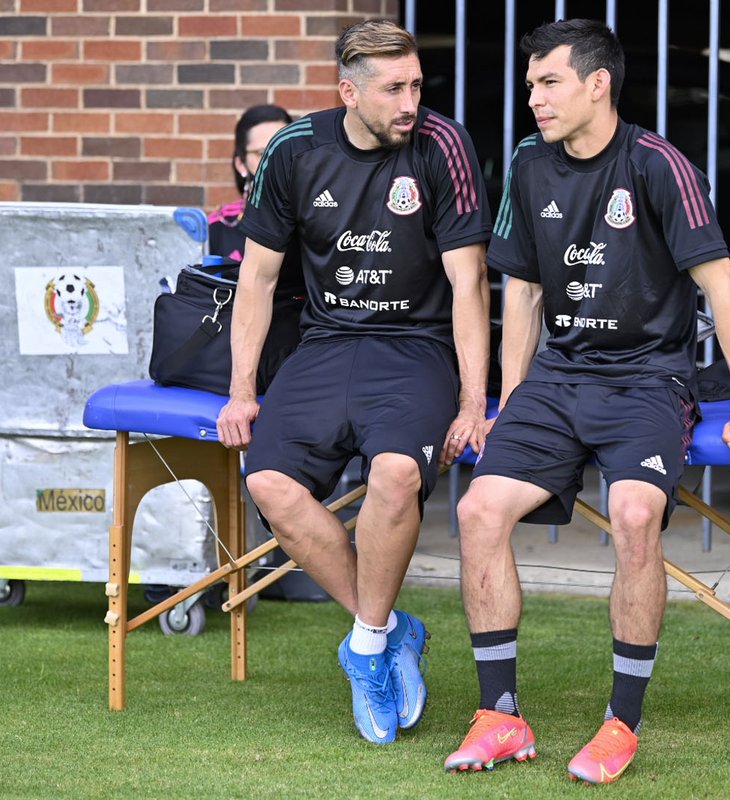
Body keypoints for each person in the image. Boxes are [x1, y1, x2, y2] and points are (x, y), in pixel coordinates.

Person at [444, 19, 730, 784]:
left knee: (634, 517)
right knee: (476, 511)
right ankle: (500, 715)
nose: (533, 98)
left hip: (647, 380)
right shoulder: (530, 163)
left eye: (548, 82)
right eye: (530, 84)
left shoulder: (658, 164)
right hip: (558, 380)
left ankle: (619, 725)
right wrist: (509, 401)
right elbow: (522, 292)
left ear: (599, 83)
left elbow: (721, 290)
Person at [216, 19, 492, 745]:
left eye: (416, 85)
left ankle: (364, 646)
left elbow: (471, 284)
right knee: (268, 482)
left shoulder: (442, 145)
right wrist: (243, 389)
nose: (411, 101)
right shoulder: (294, 150)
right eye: (394, 88)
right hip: (327, 343)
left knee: (396, 475)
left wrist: (473, 401)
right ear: (349, 91)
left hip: (417, 348)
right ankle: (390, 629)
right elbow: (259, 277)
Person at [208, 103, 294, 263]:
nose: (275, 160)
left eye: (283, 149)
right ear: (241, 163)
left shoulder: (318, 217)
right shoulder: (217, 226)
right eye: (262, 153)